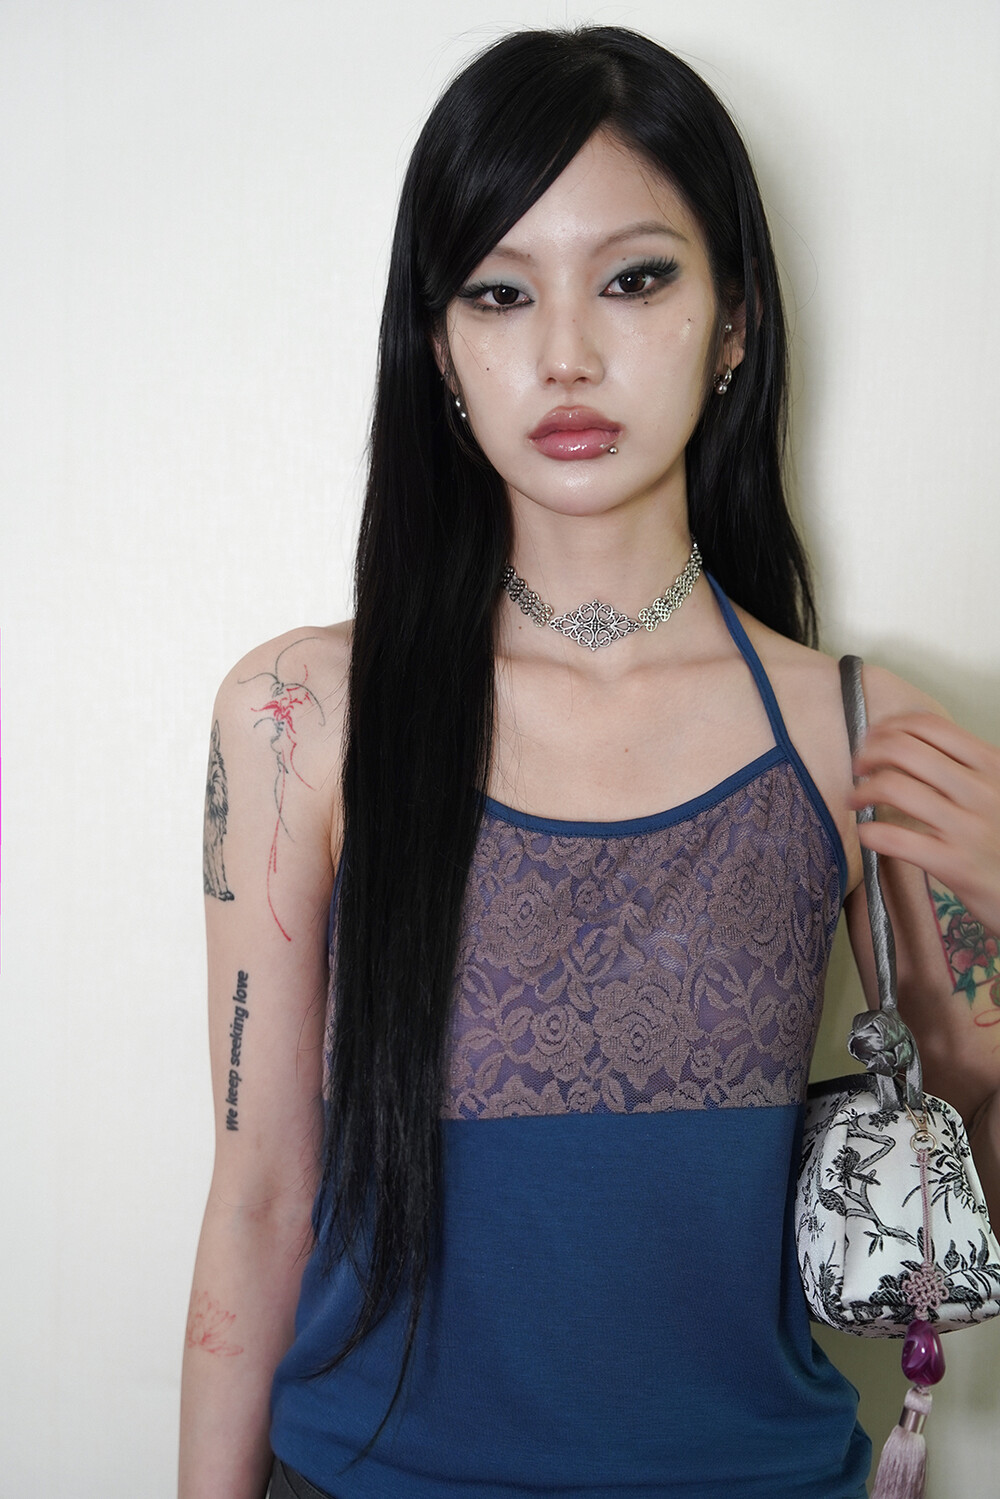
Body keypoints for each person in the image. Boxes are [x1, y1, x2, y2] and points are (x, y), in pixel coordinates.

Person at [178, 26, 1000, 1499]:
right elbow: (258, 1199)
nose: (565, 351)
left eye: (634, 279)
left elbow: (954, 1223)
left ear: (735, 321)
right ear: (440, 346)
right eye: (499, 291)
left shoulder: (860, 735)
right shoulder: (303, 716)